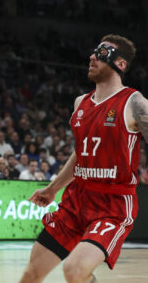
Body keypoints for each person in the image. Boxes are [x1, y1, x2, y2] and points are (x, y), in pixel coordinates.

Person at [20, 35, 147, 283]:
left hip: (113, 204)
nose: (92, 57)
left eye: (102, 53)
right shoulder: (81, 103)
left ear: (120, 64)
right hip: (76, 200)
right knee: (31, 275)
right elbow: (80, 154)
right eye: (93, 52)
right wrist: (52, 188)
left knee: (74, 270)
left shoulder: (134, 102)